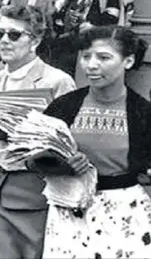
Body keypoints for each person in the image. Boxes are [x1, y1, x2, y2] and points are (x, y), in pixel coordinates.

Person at [41, 25, 151, 258]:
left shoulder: (143, 113)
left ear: (128, 61)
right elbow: (31, 159)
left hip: (124, 215)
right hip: (67, 214)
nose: (91, 65)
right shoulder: (63, 107)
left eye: (104, 58)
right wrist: (61, 163)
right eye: (86, 57)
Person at [0, 5, 76, 259]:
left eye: (14, 35)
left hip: (34, 192)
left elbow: (71, 142)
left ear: (36, 40)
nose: (4, 41)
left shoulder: (57, 81)